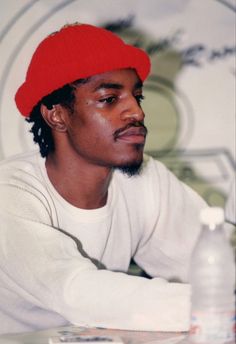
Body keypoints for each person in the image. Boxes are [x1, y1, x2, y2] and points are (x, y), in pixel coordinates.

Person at [0, 23, 206, 335]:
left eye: (137, 97)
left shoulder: (145, 179)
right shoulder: (10, 194)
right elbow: (76, 291)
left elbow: (209, 259)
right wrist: (213, 307)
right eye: (110, 99)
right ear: (56, 115)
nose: (136, 112)